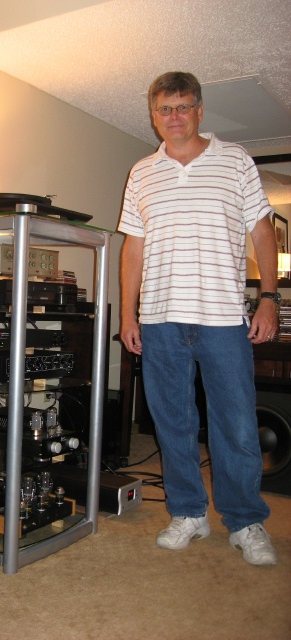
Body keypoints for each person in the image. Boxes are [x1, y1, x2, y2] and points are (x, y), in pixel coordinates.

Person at [118, 71, 279, 566]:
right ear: (153, 115)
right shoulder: (142, 172)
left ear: (200, 110)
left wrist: (268, 297)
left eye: (183, 107)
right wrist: (128, 313)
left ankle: (245, 520)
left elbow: (263, 231)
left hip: (223, 318)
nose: (174, 118)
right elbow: (133, 249)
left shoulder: (236, 162)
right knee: (171, 423)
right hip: (161, 319)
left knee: (235, 425)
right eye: (164, 109)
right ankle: (188, 513)